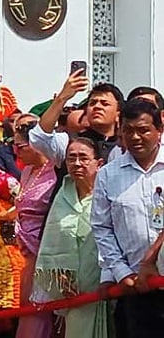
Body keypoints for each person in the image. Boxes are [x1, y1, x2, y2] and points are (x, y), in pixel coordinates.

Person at [92, 99, 164, 338]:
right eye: (128, 131)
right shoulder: (107, 175)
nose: (135, 137)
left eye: (143, 130)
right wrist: (121, 272)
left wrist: (151, 260)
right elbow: (102, 229)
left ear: (159, 130)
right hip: (135, 289)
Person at [34, 138, 111, 338]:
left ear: (99, 163)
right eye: (71, 158)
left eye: (83, 158)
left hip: (106, 283)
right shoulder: (63, 195)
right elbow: (52, 241)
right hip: (73, 289)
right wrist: (60, 278)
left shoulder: (108, 194)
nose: (77, 163)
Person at [8, 121, 57, 338]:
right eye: (14, 145)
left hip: (43, 242)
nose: (16, 151)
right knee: (25, 302)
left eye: (22, 146)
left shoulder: (55, 170)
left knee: (39, 302)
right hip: (22, 244)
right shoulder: (26, 171)